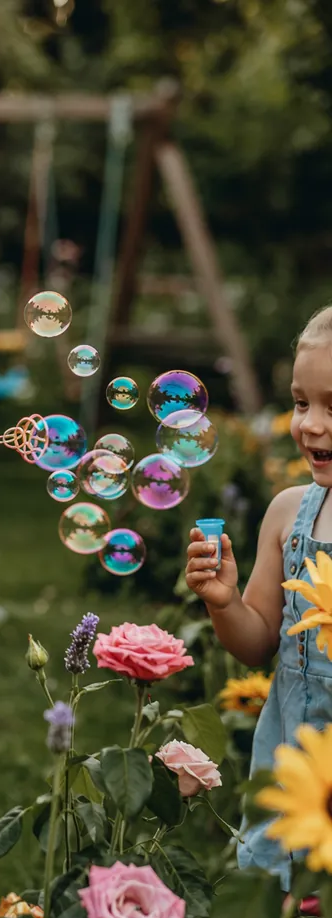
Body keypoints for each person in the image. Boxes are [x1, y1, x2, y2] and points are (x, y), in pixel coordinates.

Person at [185, 304, 332, 886]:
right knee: (283, 915)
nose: (311, 424)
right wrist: (224, 602)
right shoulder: (287, 513)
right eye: (301, 403)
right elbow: (256, 644)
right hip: (288, 767)